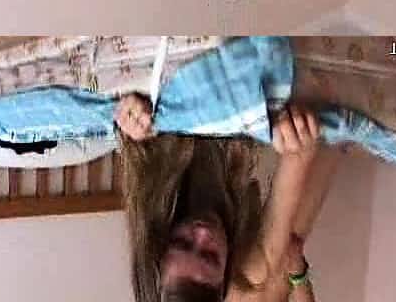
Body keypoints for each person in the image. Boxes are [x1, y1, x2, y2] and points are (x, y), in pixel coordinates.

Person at [117, 93, 334, 301]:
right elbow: (299, 154)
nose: (202, 232)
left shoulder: (151, 205)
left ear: (161, 245)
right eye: (209, 255)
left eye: (182, 243)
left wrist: (131, 120)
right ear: (226, 275)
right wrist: (296, 134)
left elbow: (129, 131)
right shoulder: (252, 266)